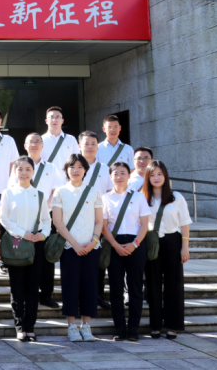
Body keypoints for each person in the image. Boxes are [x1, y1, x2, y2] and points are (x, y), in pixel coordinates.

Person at [51, 153, 104, 342]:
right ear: (66, 170)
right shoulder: (60, 192)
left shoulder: (93, 191)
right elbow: (57, 221)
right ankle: (72, 326)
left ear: (85, 170)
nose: (76, 170)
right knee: (70, 286)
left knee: (90, 286)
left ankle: (86, 326)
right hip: (69, 248)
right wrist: (74, 244)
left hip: (91, 247)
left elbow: (99, 221)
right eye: (72, 167)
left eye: (80, 167)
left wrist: (94, 241)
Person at [0, 156, 52, 342]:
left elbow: (46, 220)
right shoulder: (8, 193)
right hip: (16, 244)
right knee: (17, 287)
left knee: (33, 287)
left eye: (28, 169)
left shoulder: (40, 195)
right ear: (15, 172)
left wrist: (43, 234)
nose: (24, 173)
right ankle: (20, 326)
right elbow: (3, 218)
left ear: (33, 172)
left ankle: (30, 326)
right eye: (20, 169)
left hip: (36, 245)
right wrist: (22, 233)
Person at [143, 160, 191, 340]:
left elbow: (185, 223)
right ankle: (155, 325)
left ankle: (172, 326)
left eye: (160, 174)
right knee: (153, 284)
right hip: (152, 242)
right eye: (152, 175)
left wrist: (185, 247)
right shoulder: (142, 197)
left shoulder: (176, 197)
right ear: (147, 177)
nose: (156, 178)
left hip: (173, 241)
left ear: (165, 176)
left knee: (174, 284)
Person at [102, 161, 150, 342]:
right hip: (114, 244)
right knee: (116, 289)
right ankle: (120, 329)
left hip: (135, 244)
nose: (119, 176)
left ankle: (133, 329)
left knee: (135, 288)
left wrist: (135, 244)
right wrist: (115, 245)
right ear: (110, 176)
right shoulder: (105, 198)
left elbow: (144, 224)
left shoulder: (138, 197)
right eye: (116, 173)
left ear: (129, 175)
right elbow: (104, 226)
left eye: (123, 173)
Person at [18, 133, 64, 310]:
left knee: (46, 257)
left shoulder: (51, 167)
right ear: (25, 145)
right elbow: (13, 189)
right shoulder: (19, 166)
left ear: (42, 145)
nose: (34, 144)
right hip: (23, 218)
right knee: (25, 254)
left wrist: (43, 207)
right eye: (31, 142)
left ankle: (46, 295)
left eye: (38, 142)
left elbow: (56, 190)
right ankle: (25, 294)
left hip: (46, 217)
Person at [77, 130, 114, 309]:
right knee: (78, 260)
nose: (90, 147)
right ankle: (78, 298)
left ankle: (98, 295)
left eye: (93, 144)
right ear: (79, 146)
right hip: (77, 219)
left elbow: (109, 193)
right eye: (86, 143)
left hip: (98, 219)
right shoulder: (73, 166)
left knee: (98, 261)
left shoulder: (104, 168)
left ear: (97, 147)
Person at [41, 106, 80, 172]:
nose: (54, 120)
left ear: (62, 121)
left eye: (58, 117)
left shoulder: (71, 139)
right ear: (46, 121)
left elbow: (77, 160)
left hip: (67, 177)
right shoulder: (41, 140)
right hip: (48, 177)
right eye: (52, 117)